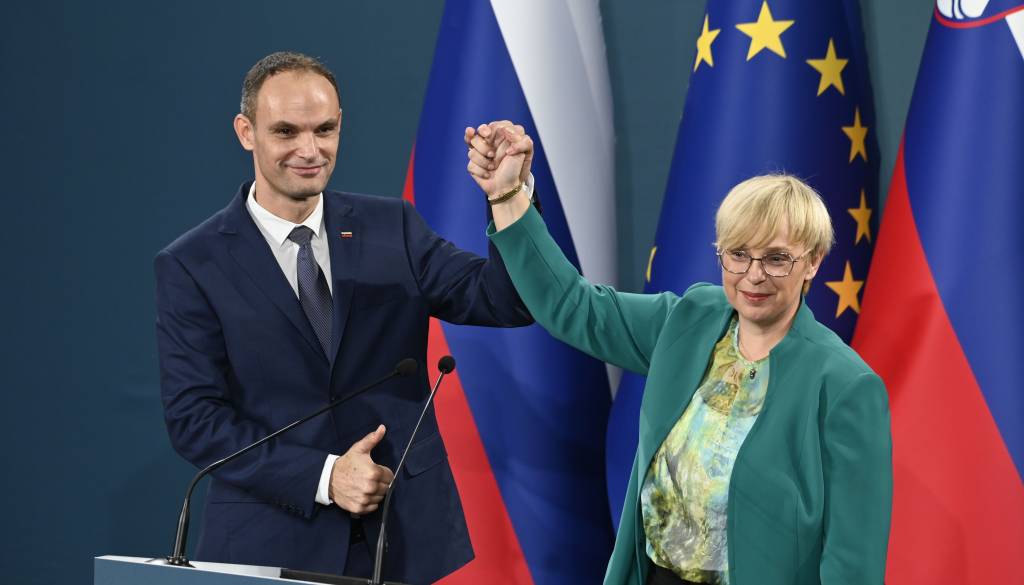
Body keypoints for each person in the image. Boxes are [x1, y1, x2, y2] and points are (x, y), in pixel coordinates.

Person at [154, 53, 532, 584]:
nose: (310, 150)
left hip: (401, 539)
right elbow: (195, 419)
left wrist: (508, 198)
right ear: (246, 132)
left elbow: (505, 302)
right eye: (286, 131)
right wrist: (325, 476)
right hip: (270, 541)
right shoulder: (193, 264)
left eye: (324, 129)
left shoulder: (393, 228)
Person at [465, 123, 893, 584]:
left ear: (812, 262)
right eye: (738, 254)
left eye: (775, 258)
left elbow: (853, 562)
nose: (753, 275)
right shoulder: (690, 319)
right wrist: (507, 195)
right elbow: (573, 307)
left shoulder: (845, 385)